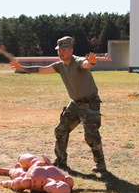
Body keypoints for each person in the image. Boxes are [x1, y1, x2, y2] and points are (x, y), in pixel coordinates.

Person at [11, 36, 106, 173]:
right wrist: (22, 68)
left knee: (91, 135)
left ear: (71, 50)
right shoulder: (60, 66)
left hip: (89, 103)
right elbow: (42, 69)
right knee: (61, 130)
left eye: (64, 49)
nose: (60, 52)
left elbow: (85, 64)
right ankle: (61, 160)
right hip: (75, 103)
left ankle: (100, 164)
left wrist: (91, 62)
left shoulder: (77, 61)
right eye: (59, 50)